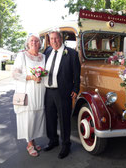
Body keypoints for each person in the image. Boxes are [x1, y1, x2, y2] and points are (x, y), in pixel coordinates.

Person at [43, 30, 81, 159]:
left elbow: (76, 74)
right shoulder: (47, 52)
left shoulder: (71, 54)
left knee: (64, 119)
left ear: (61, 38)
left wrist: (76, 89)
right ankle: (53, 140)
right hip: (48, 91)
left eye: (56, 38)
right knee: (50, 117)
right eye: (51, 39)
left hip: (63, 92)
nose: (54, 41)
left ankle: (66, 145)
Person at [12, 34, 46, 157]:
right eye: (32, 40)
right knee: (28, 117)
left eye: (37, 41)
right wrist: (31, 77)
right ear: (27, 43)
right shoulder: (22, 55)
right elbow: (15, 74)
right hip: (27, 91)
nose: (34, 43)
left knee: (37, 116)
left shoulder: (44, 57)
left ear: (40, 43)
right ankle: (29, 144)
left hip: (40, 91)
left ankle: (33, 140)